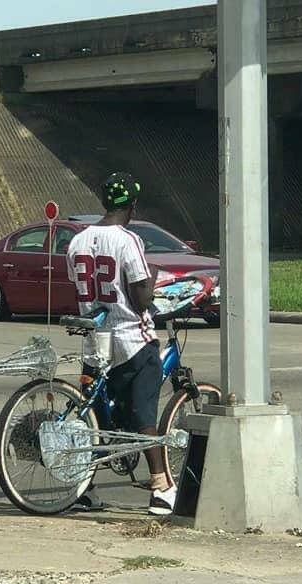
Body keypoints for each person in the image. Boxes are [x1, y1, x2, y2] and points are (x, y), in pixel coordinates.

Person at [66, 171, 177, 516]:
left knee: (97, 419)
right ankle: (161, 486)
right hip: (131, 338)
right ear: (132, 204)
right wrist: (153, 277)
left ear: (103, 202)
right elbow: (142, 299)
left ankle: (85, 488)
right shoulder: (128, 240)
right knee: (144, 412)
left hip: (96, 342)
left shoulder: (77, 242)